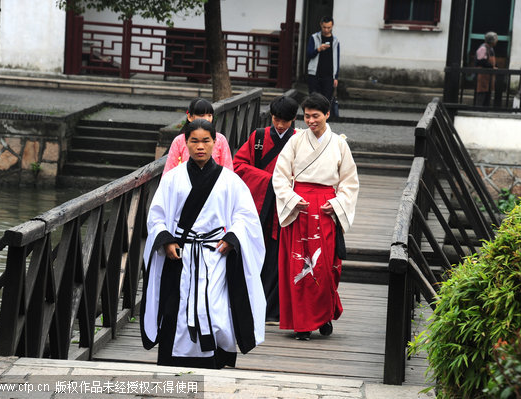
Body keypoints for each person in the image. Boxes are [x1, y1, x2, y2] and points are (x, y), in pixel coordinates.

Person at [141, 119, 266, 368]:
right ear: (185, 143)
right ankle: (172, 359)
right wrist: (165, 239)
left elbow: (245, 216)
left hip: (215, 255)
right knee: (176, 308)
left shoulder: (230, 181)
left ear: (215, 142)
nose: (200, 146)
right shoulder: (173, 179)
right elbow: (156, 216)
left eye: (206, 141)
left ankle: (217, 358)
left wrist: (233, 238)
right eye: (194, 141)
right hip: (181, 254)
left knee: (216, 309)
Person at [272, 93, 359, 341]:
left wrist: (338, 203)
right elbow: (280, 175)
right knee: (299, 266)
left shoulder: (339, 144)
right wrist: (290, 199)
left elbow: (350, 182)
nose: (310, 121)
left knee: (324, 267)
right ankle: (302, 323)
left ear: (327, 114)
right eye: (307, 116)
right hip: (299, 207)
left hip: (325, 208)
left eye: (316, 116)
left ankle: (324, 315)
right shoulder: (296, 141)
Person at [233, 95, 299, 323]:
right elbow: (239, 165)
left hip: (287, 207)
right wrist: (269, 180)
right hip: (260, 206)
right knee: (256, 255)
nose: (280, 125)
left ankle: (275, 309)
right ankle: (251, 304)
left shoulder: (300, 140)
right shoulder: (258, 137)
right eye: (277, 119)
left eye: (286, 121)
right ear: (271, 116)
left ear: (293, 120)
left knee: (280, 258)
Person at [163, 98, 233, 175]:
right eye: (201, 115)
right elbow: (168, 172)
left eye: (209, 115)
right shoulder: (179, 141)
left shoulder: (220, 139)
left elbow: (228, 171)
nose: (207, 119)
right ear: (189, 117)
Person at [306, 16, 340, 102]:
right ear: (321, 25)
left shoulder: (335, 41)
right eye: (324, 27)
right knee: (313, 101)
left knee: (326, 101)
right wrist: (318, 49)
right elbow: (309, 54)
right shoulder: (314, 37)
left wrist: (336, 77)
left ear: (332, 26)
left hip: (329, 76)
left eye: (329, 27)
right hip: (314, 74)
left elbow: (337, 59)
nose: (326, 30)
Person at [475, 31, 498, 107]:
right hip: (482, 76)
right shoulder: (483, 48)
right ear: (491, 40)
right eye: (495, 39)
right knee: (481, 93)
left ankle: (485, 110)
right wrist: (492, 67)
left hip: (488, 76)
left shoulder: (491, 49)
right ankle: (478, 110)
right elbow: (481, 61)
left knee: (488, 93)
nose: (497, 41)